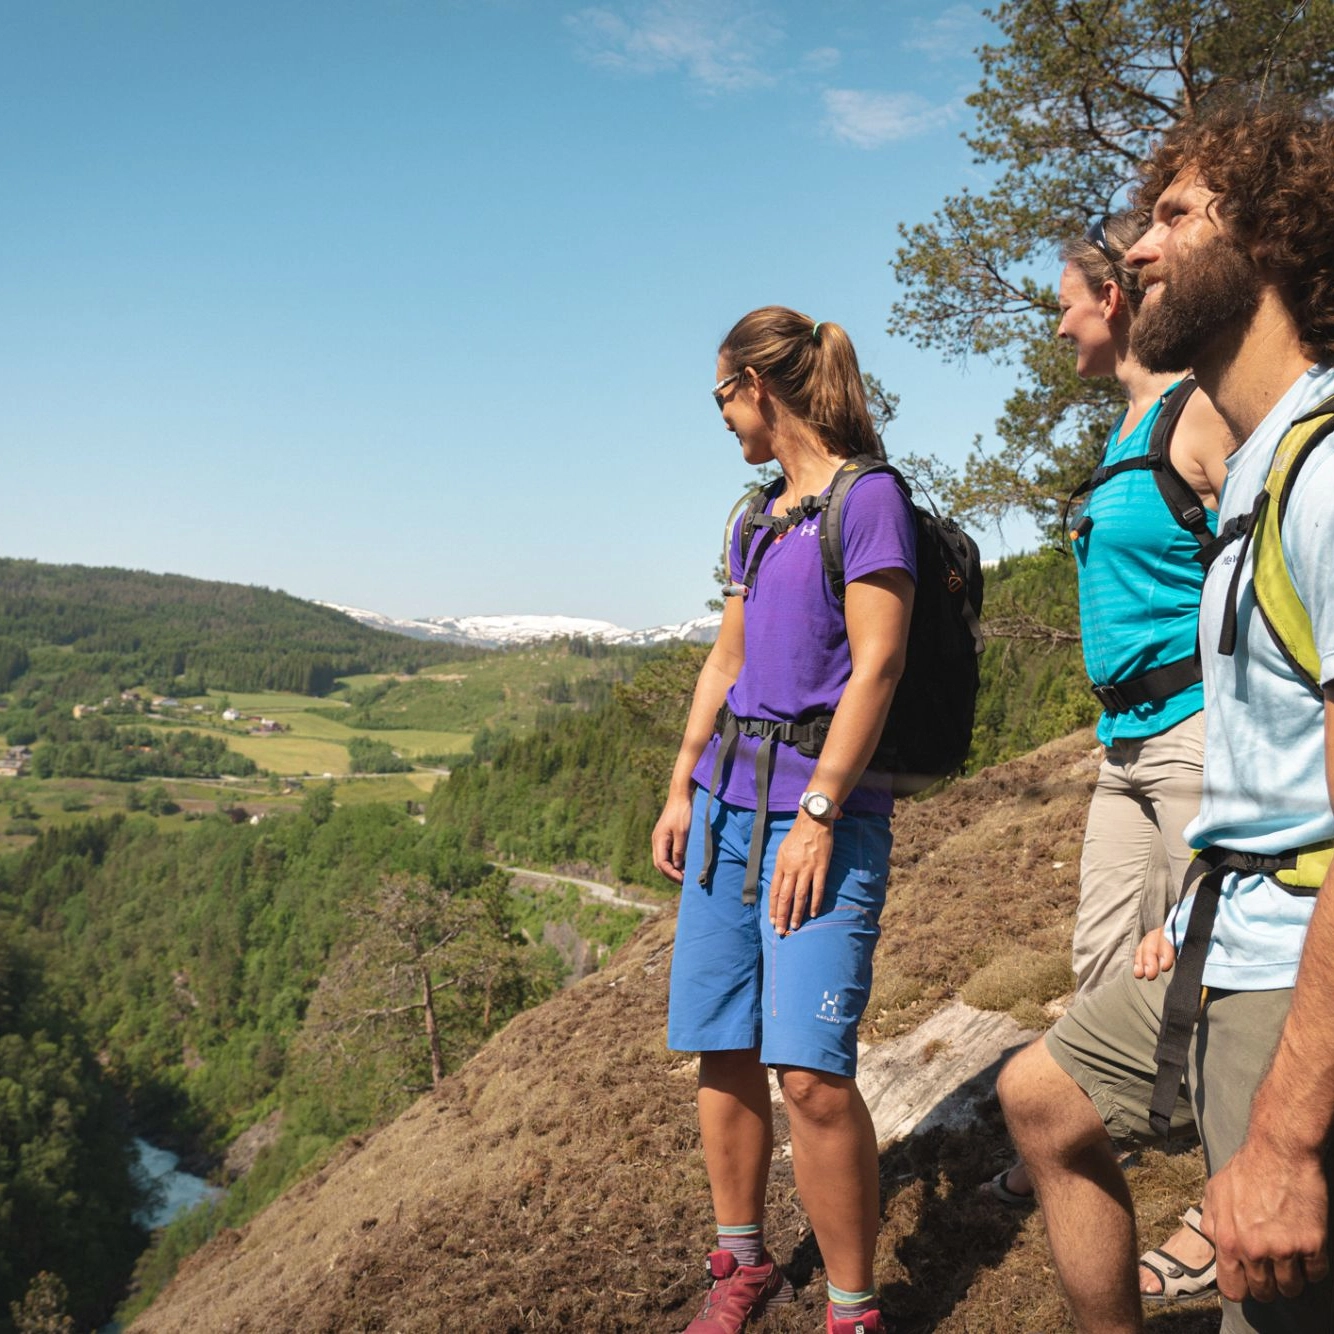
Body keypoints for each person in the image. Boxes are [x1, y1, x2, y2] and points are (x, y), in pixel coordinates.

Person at [997, 96, 1334, 1333]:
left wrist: (1289, 1136)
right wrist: (1196, 885)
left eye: (1174, 216)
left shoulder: (1319, 468)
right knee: (1040, 1092)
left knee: (1266, 1291)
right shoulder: (1250, 463)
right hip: (1225, 917)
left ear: (1271, 241)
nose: (1133, 249)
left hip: (1288, 969)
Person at [985, 212, 1235, 1305]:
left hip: (1189, 733)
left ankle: (1226, 1212)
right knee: (1098, 964)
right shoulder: (1123, 423)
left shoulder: (1193, 417)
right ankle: (1095, 1141)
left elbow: (1259, 590)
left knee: (1225, 977)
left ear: (1114, 301)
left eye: (1064, 305)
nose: (1055, 326)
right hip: (1119, 747)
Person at [653, 306, 916, 1334]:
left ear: (756, 386)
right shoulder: (756, 513)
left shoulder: (870, 498)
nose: (719, 416)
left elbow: (879, 663)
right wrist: (681, 783)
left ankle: (851, 1309)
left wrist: (816, 810)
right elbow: (726, 659)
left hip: (823, 817)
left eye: (719, 395)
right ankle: (741, 1261)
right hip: (726, 805)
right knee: (720, 1043)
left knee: (807, 1073)